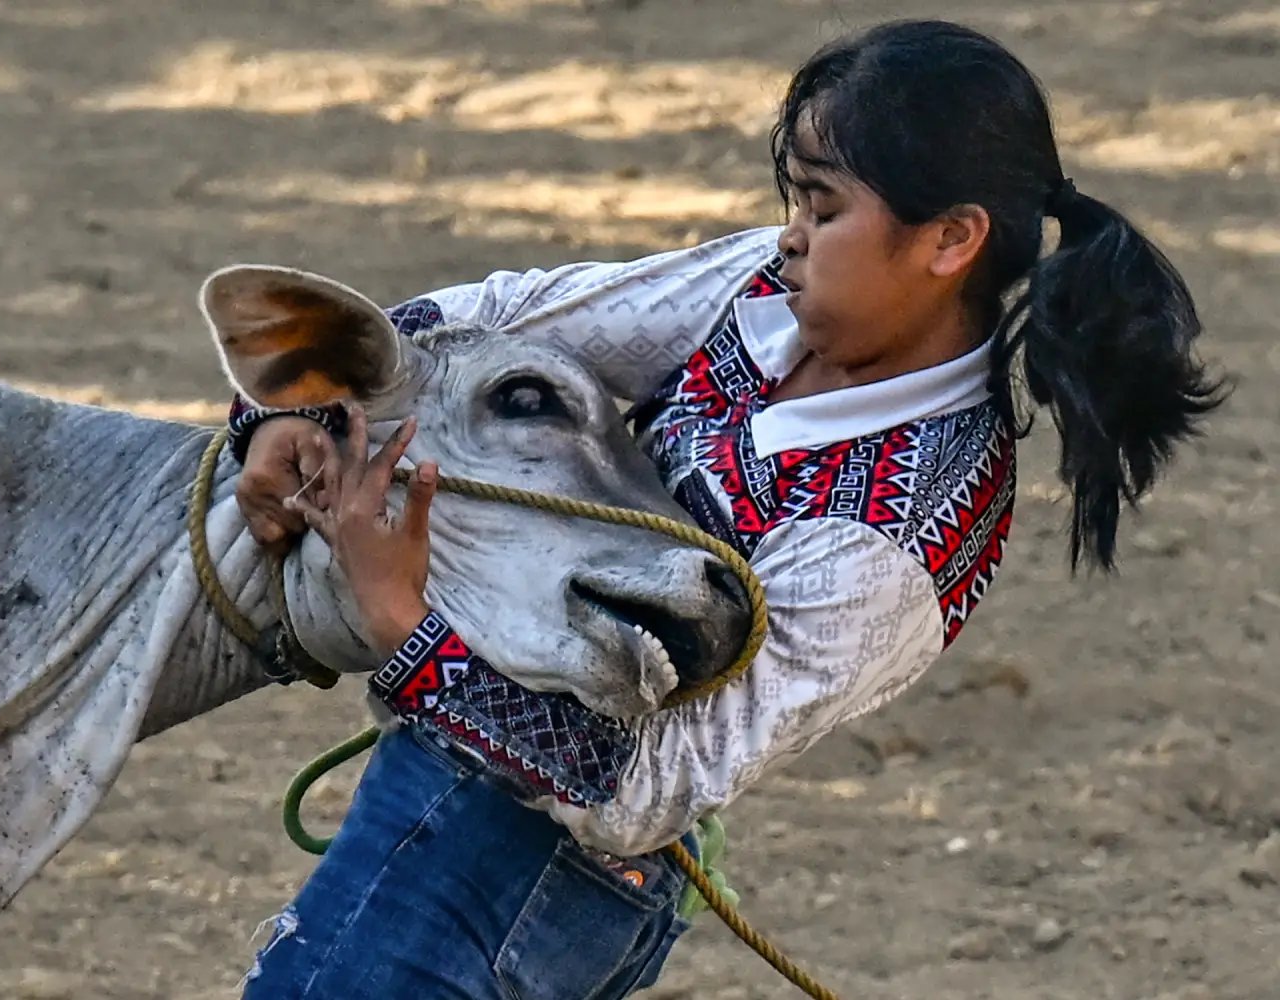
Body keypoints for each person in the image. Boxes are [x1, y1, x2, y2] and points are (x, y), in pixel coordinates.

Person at [229, 19, 1225, 999]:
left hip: (547, 878)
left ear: (950, 239)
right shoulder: (767, 289)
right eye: (793, 200)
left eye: (824, 209)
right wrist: (300, 403)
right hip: (444, 786)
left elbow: (640, 789)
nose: (791, 234)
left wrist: (403, 626)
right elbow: (502, 316)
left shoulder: (896, 532)